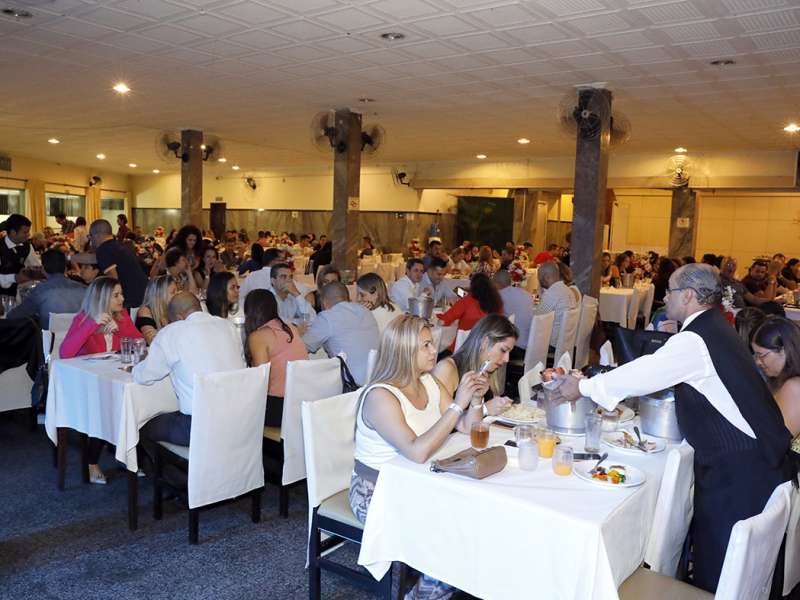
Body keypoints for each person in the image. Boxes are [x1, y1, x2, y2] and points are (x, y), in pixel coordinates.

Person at [552, 263, 795, 593]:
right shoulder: (714, 326)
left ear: (689, 296)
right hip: (752, 463)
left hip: (740, 472)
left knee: (723, 574)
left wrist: (583, 388)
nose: (665, 297)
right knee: (739, 574)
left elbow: (646, 372)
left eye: (670, 291)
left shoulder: (696, 339)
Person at [350, 315, 487, 600]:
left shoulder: (429, 382)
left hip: (419, 482)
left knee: (476, 523)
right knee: (452, 545)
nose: (434, 350)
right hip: (376, 491)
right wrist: (458, 404)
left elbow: (466, 427)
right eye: (425, 345)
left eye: (432, 343)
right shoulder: (380, 396)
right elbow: (416, 451)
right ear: (403, 350)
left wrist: (475, 399)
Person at [134, 292, 246, 448]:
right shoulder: (228, 326)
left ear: (179, 318)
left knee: (140, 426)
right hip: (239, 419)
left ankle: (162, 465)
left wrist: (137, 365)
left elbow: (144, 376)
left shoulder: (172, 332)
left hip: (199, 427)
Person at [60, 277, 142, 484]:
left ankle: (126, 454)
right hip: (86, 385)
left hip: (113, 378)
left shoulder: (122, 315)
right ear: (102, 298)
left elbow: (138, 341)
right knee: (106, 406)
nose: (122, 299)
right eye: (116, 295)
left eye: (121, 294)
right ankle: (92, 462)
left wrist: (120, 327)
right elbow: (65, 353)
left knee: (134, 401)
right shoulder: (83, 319)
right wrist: (92, 325)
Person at [244, 289, 308, 427]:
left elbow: (261, 382)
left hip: (279, 408)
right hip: (301, 403)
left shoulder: (259, 336)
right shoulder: (291, 328)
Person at [432, 314, 515, 415]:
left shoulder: (486, 369)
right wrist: (485, 409)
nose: (507, 359)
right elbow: (441, 418)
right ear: (485, 342)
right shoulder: (447, 369)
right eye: (503, 350)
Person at [302, 281, 379, 385]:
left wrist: (299, 332)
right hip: (378, 379)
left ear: (324, 302)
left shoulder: (327, 317)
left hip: (352, 386)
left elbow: (303, 346)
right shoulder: (366, 312)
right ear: (347, 298)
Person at [751, 317, 800, 453]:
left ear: (784, 350)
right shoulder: (782, 381)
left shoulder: (794, 387)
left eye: (762, 355)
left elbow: (776, 444)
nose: (758, 362)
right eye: (755, 355)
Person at [7, 249, 86, 328]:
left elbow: (14, 316)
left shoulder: (40, 290)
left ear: (43, 269)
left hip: (49, 335)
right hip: (78, 334)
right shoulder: (84, 289)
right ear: (65, 269)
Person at [437, 273, 503, 351]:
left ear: (472, 286)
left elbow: (444, 320)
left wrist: (437, 316)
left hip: (462, 348)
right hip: (486, 349)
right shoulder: (496, 303)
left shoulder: (466, 301)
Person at [89, 219, 146, 308]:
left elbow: (113, 279)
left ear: (97, 235)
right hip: (143, 294)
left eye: (90, 236)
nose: (90, 239)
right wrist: (70, 257)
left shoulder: (103, 249)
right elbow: (92, 258)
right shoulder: (119, 245)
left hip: (130, 300)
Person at [533, 260, 579, 349]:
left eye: (539, 278)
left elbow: (537, 319)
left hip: (552, 344)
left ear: (546, 277)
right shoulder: (567, 290)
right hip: (566, 342)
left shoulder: (552, 293)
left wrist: (539, 293)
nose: (539, 281)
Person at [493, 270, 533, 359]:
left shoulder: (499, 297)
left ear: (496, 284)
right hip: (530, 345)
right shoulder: (527, 294)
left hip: (515, 347)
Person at [0, 214, 41, 298]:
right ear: (13, 232)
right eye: (25, 232)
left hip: (20, 292)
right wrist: (15, 278)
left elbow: (36, 266)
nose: (28, 235)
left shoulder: (27, 246)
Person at [135, 275, 177, 345]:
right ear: (160, 294)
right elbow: (151, 340)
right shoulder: (144, 311)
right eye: (173, 292)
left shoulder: (172, 310)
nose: (177, 295)